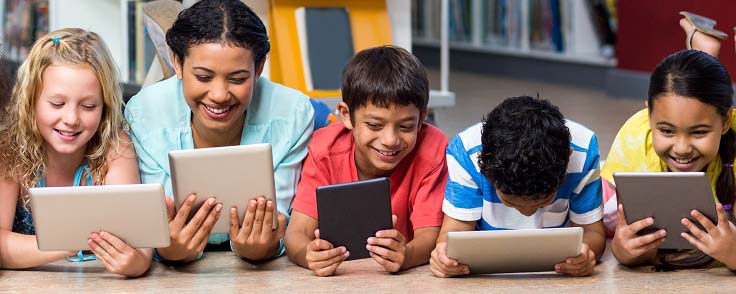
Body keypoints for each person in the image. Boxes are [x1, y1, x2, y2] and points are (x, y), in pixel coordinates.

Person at [124, 0, 313, 263]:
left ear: (258, 68)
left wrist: (264, 247)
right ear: (177, 63)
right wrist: (167, 249)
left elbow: (281, 224)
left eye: (237, 79)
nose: (219, 95)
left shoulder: (292, 112)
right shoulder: (145, 112)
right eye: (202, 77)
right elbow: (151, 224)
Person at [285, 45, 448, 276]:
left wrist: (407, 255)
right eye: (374, 125)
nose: (390, 140)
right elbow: (296, 234)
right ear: (345, 115)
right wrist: (308, 254)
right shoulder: (325, 149)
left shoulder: (432, 148)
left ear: (422, 117)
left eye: (406, 127)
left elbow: (430, 235)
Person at [0, 28, 149, 277]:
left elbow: (141, 248)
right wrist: (70, 240)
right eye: (57, 104)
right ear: (30, 101)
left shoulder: (115, 147)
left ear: (105, 106)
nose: (71, 119)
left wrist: (135, 263)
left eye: (89, 106)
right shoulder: (9, 151)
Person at [430, 96, 605, 277]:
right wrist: (444, 255)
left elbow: (593, 233)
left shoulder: (584, 150)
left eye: (543, 201)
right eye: (511, 203)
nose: (528, 213)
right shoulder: (466, 152)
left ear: (568, 158)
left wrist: (586, 254)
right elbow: (455, 231)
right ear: (483, 165)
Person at [603, 49, 736, 270]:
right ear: (649, 117)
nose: (682, 149)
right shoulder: (636, 140)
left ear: (724, 122)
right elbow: (623, 242)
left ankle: (703, 48)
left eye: (699, 132)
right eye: (666, 131)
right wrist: (623, 250)